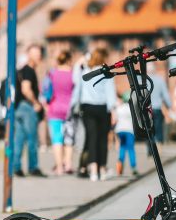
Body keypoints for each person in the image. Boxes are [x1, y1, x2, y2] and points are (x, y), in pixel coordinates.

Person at [71, 47, 116, 181]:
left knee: (92, 138)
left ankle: (93, 171)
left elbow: (76, 86)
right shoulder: (105, 73)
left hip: (87, 108)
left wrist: (73, 105)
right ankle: (102, 169)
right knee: (103, 139)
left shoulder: (85, 71)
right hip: (102, 108)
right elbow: (110, 92)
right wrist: (113, 110)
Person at [11, 45, 46, 178]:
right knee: (32, 138)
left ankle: (16, 166)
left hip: (19, 107)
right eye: (36, 54)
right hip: (27, 107)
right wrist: (36, 103)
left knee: (19, 138)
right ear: (29, 55)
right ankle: (33, 167)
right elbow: (26, 89)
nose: (39, 57)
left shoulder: (23, 70)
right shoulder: (28, 70)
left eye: (39, 54)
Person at [45, 50, 75, 175]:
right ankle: (68, 164)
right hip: (70, 110)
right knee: (69, 138)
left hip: (55, 109)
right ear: (69, 60)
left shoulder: (52, 74)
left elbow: (46, 91)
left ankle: (59, 167)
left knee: (57, 138)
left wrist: (46, 104)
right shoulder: (73, 74)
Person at [146, 61, 172, 152]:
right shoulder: (160, 80)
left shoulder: (144, 80)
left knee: (148, 129)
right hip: (157, 108)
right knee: (158, 128)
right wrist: (169, 105)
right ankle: (159, 146)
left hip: (147, 109)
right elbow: (165, 95)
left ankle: (150, 151)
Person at [114, 91, 137, 176]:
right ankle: (133, 167)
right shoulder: (132, 109)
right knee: (130, 148)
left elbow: (115, 119)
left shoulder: (119, 108)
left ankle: (120, 164)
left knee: (122, 147)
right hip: (129, 130)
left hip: (120, 130)